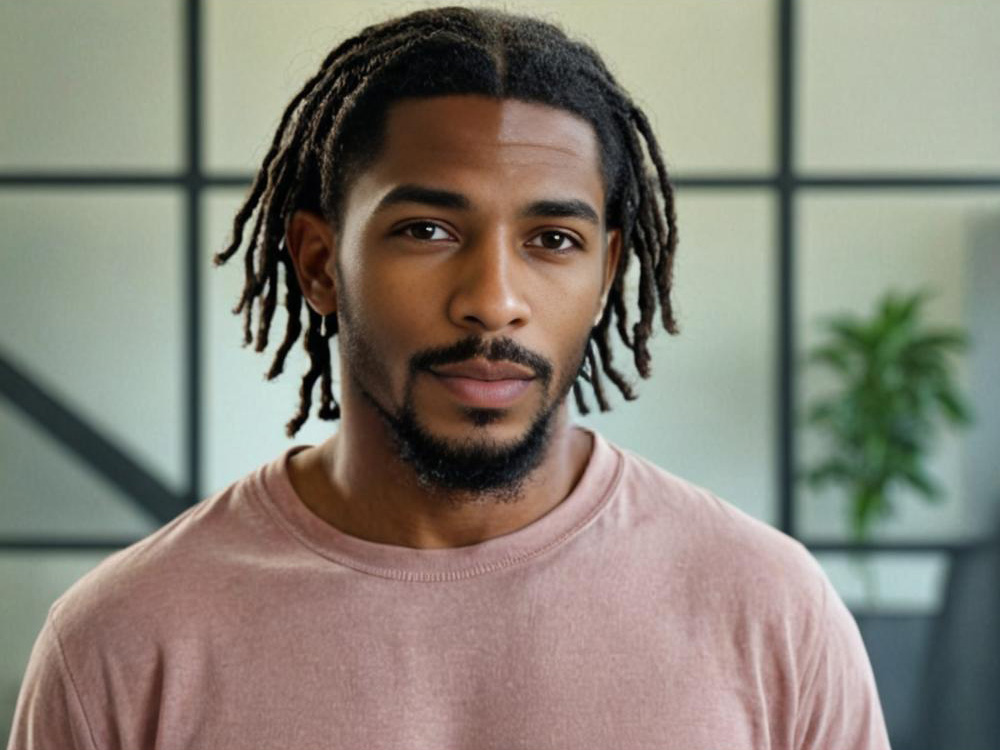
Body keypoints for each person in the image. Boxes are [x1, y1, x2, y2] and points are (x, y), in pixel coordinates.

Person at [8, 6, 892, 749]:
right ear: (319, 263)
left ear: (605, 276)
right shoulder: (125, 641)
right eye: (427, 230)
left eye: (554, 241)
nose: (494, 301)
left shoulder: (769, 609)